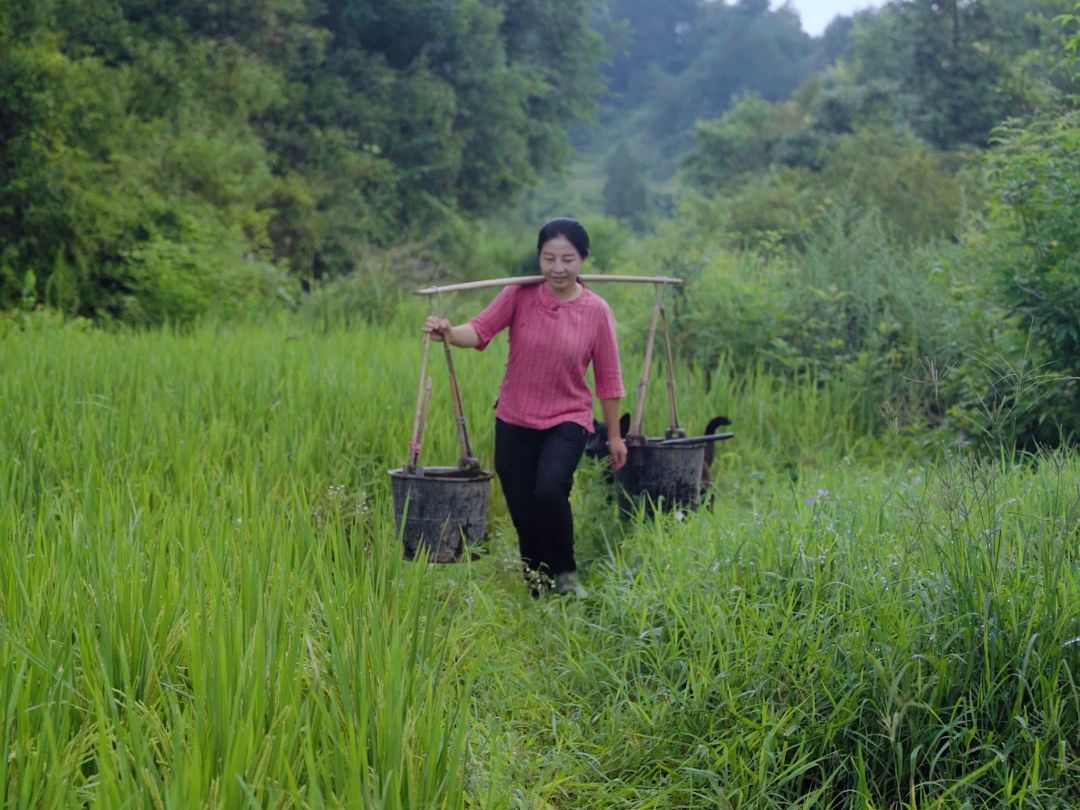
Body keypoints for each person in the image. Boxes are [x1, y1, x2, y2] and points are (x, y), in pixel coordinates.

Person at [423, 217, 628, 597]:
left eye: (567, 259)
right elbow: (479, 330)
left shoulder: (596, 311)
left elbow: (609, 381)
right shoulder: (519, 295)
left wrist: (614, 436)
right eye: (549, 258)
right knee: (523, 508)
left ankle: (566, 574)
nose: (558, 268)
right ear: (539, 258)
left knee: (550, 490)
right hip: (514, 418)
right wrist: (449, 333)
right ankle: (537, 584)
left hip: (567, 418)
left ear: (583, 259)